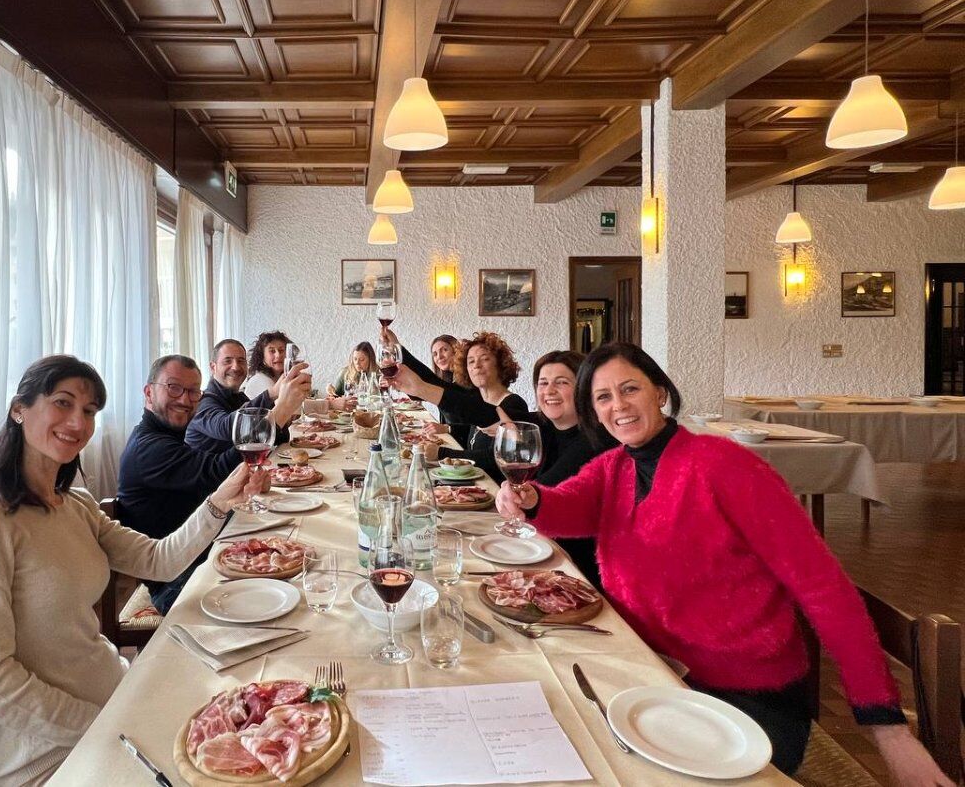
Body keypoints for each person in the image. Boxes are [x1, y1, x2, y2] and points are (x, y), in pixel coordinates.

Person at [496, 342, 953, 784]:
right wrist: (532, 498)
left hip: (737, 694)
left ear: (659, 392)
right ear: (594, 412)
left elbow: (824, 588)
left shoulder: (725, 466)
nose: (619, 405)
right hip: (651, 673)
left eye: (629, 388)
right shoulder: (615, 467)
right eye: (603, 396)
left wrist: (885, 726)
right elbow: (570, 505)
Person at [0, 355, 266, 787]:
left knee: (254, 724)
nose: (77, 421)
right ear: (20, 409)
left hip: (122, 704)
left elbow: (158, 560)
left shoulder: (75, 504)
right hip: (53, 756)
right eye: (62, 403)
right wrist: (103, 722)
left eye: (89, 411)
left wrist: (219, 502)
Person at [118, 354, 260, 613]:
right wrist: (277, 414)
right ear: (149, 393)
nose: (185, 399)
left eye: (194, 392)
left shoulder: (166, 436)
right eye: (173, 388)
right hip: (175, 583)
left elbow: (213, 485)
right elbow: (217, 472)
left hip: (202, 555)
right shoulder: (149, 448)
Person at [384, 328, 531, 480]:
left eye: (484, 359)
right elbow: (434, 383)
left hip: (495, 493)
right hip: (471, 480)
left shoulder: (514, 404)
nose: (476, 365)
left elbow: (493, 458)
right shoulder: (478, 399)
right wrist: (397, 348)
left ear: (500, 364)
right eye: (471, 361)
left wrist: (442, 454)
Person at [529, 349, 618, 589]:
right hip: (550, 553)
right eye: (543, 383)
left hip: (584, 575)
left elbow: (541, 490)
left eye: (562, 382)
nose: (549, 391)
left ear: (583, 389)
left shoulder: (598, 438)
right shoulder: (546, 429)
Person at [187, 338, 311, 455]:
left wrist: (284, 413)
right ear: (213, 367)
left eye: (241, 361)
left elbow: (276, 438)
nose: (235, 367)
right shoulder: (201, 403)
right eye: (228, 361)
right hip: (219, 477)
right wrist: (272, 394)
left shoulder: (239, 397)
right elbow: (230, 429)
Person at [243, 330, 291, 399]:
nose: (278, 355)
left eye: (281, 350)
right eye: (272, 351)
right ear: (262, 356)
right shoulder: (260, 379)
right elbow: (285, 406)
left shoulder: (280, 377)